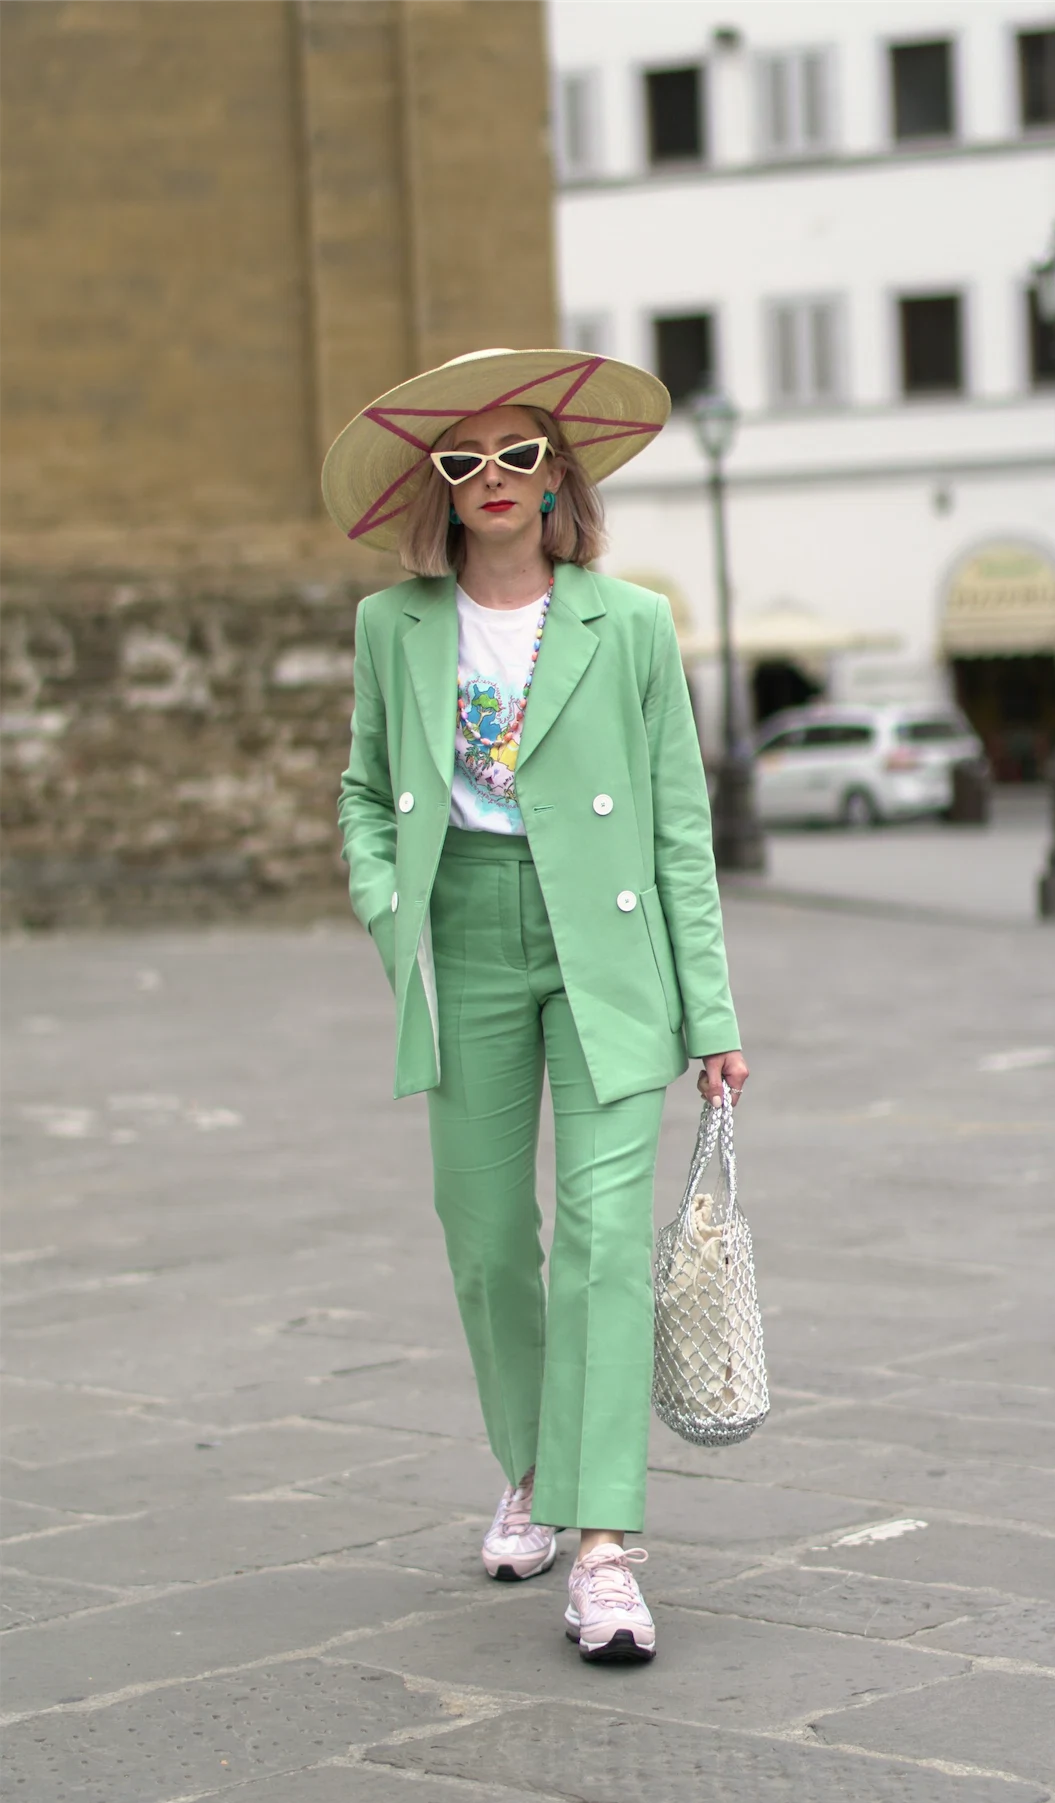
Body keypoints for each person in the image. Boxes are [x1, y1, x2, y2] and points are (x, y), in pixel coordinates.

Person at [323, 349, 747, 1662]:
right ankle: (528, 1467)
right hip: (464, 934)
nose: (495, 478)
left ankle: (603, 1545)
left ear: (558, 476)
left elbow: (680, 830)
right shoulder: (392, 627)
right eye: (467, 461)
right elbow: (362, 791)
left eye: (520, 455)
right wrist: (387, 906)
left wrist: (713, 1016)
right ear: (441, 487)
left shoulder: (632, 623)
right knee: (486, 1234)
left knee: (605, 1241)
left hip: (607, 946)